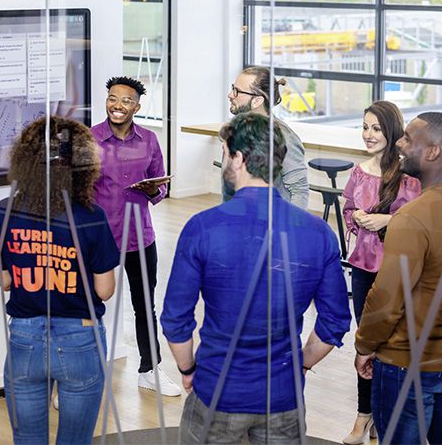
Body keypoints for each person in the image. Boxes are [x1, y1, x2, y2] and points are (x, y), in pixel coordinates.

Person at [161, 112, 351, 444]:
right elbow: (335, 320)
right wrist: (300, 366)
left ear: (239, 157)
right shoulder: (318, 233)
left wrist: (188, 369)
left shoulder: (203, 227)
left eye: (225, 151)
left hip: (217, 390)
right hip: (283, 396)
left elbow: (176, 320)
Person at [0, 116, 120, 445]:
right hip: (80, 339)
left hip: (24, 338)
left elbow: (3, 280)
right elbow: (104, 289)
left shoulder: (5, 211)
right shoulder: (91, 217)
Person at [355, 112, 442, 445]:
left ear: (432, 152)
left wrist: (364, 345)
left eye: (408, 138)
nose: (400, 144)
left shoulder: (411, 218)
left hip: (406, 366)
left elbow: (387, 299)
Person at [91, 76, 181, 396]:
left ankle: (150, 370)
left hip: (139, 237)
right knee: (88, 306)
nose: (118, 105)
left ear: (137, 107)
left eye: (126, 101)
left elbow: (161, 187)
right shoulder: (90, 140)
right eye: (112, 98)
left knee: (144, 305)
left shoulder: (150, 140)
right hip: (100, 238)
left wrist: (155, 189)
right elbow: (78, 191)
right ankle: (83, 374)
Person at [341, 101, 421, 444]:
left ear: (391, 131)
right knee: (365, 342)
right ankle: (363, 415)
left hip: (397, 272)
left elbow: (421, 222)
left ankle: (384, 414)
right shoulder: (359, 172)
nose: (368, 134)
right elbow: (347, 208)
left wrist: (388, 221)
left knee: (392, 345)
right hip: (362, 269)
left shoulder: (410, 176)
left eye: (375, 128)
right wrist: (356, 218)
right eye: (364, 127)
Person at [227, 66, 309, 208]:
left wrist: (291, 227)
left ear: (257, 101)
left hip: (272, 223)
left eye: (237, 91)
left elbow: (299, 190)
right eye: (233, 88)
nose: (230, 94)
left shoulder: (284, 138)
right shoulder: (235, 130)